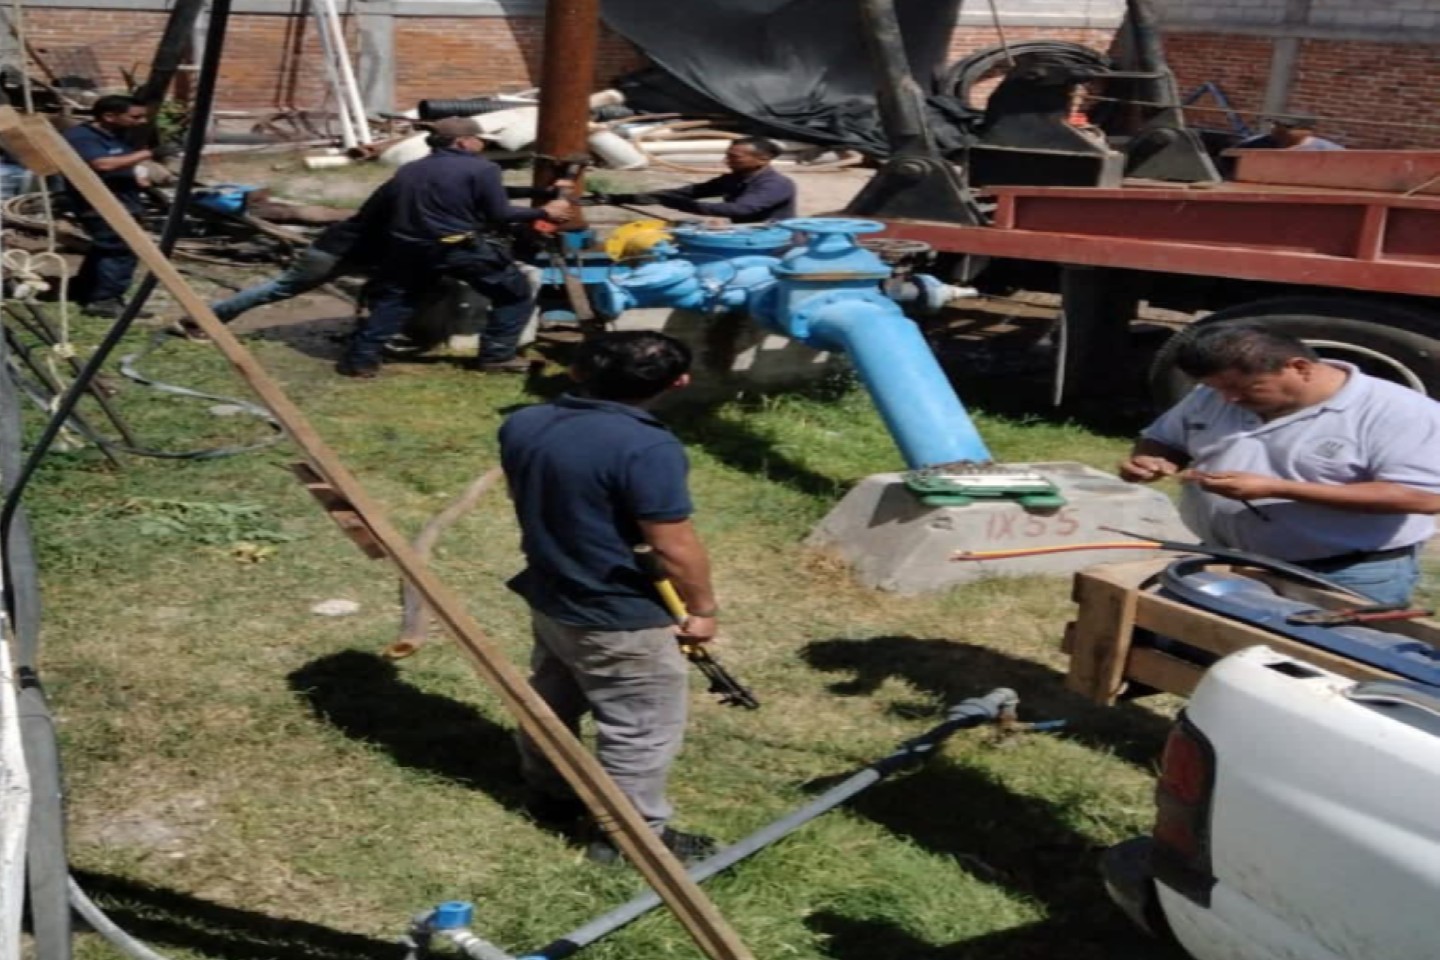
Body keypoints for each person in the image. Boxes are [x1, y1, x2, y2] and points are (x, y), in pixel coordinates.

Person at [499, 331, 720, 865]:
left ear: (577, 372)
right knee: (639, 727)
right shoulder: (647, 446)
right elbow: (673, 544)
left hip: (552, 592)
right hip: (617, 613)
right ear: (678, 383)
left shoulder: (523, 423)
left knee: (552, 698)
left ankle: (549, 794)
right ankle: (629, 839)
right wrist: (703, 610)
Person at [1120, 323, 1440, 605]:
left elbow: (1422, 497)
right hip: (1225, 558)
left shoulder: (1400, 413)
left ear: (1299, 367)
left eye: (1242, 389)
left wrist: (1276, 488)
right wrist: (1153, 459)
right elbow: (1165, 438)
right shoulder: (1214, 394)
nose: (1228, 399)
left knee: (1320, 666)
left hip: (1344, 572)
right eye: (1218, 389)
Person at [336, 116, 572, 378]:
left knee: (396, 301)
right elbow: (499, 213)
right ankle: (496, 357)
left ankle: (360, 360)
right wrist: (544, 211)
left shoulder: (410, 169)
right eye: (479, 139)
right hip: (459, 249)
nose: (482, 144)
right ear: (462, 142)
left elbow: (461, 193)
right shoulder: (483, 169)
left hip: (410, 249)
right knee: (513, 295)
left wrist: (541, 193)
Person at [61, 95, 157, 319]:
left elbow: (121, 161)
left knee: (104, 248)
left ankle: (84, 290)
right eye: (135, 116)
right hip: (98, 202)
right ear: (109, 116)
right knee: (120, 249)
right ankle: (105, 300)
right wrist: (150, 153)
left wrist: (139, 173)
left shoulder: (117, 135)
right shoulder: (81, 137)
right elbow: (101, 164)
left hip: (123, 200)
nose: (141, 121)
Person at [603, 137, 797, 224]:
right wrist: (620, 198)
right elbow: (689, 192)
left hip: (777, 243)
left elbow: (740, 209)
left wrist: (684, 206)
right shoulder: (734, 179)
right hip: (747, 235)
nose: (726, 161)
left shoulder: (776, 184)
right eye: (727, 156)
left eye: (734, 158)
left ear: (763, 159)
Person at [1236, 114, 1344, 152]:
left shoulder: (1328, 151)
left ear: (1306, 131)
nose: (1278, 129)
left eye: (1288, 127)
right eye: (1276, 124)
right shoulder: (1253, 144)